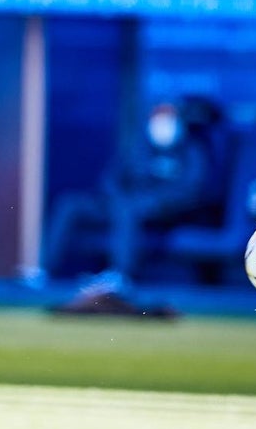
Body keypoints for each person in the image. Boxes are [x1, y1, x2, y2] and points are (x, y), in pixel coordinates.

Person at [46, 100, 212, 313]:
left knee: (129, 209)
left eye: (169, 121)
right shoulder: (138, 146)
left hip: (162, 211)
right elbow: (111, 179)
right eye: (158, 120)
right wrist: (117, 198)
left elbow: (190, 192)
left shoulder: (192, 151)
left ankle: (119, 275)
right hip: (120, 205)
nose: (163, 126)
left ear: (179, 124)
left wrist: (152, 201)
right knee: (69, 203)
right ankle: (44, 271)